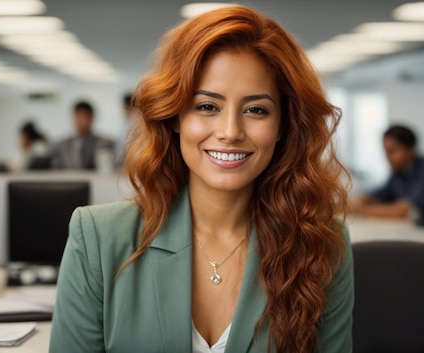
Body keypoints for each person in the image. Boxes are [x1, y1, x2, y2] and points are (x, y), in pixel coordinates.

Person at [50, 6, 353, 353]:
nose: (230, 132)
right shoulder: (98, 240)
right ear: (175, 115)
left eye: (256, 110)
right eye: (207, 106)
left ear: (284, 124)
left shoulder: (320, 244)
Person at [349, 125, 424, 226]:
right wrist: (360, 201)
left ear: (410, 149)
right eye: (386, 152)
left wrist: (359, 210)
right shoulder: (398, 173)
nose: (387, 157)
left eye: (392, 151)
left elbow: (400, 211)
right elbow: (378, 195)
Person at [50, 101, 115, 170]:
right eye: (78, 117)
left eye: (84, 117)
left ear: (91, 118)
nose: (81, 121)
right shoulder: (61, 146)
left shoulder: (105, 143)